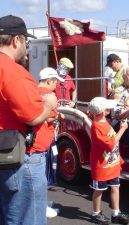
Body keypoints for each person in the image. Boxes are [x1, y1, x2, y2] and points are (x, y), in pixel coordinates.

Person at [0, 15, 57, 225]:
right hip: (18, 161)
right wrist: (49, 104)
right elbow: (32, 116)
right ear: (16, 40)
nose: (27, 46)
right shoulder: (13, 71)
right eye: (26, 41)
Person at [88, 97, 129, 225]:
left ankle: (116, 213)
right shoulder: (97, 127)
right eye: (107, 108)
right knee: (99, 190)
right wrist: (123, 129)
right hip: (101, 165)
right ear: (103, 111)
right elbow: (111, 144)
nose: (109, 110)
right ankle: (96, 213)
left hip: (111, 162)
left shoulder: (104, 121)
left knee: (115, 187)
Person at [38, 67, 65, 218]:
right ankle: (41, 206)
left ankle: (43, 202)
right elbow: (47, 117)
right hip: (44, 142)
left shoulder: (35, 91)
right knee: (43, 175)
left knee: (43, 174)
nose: (56, 85)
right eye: (55, 82)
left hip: (42, 140)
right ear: (49, 80)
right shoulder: (48, 95)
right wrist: (59, 116)